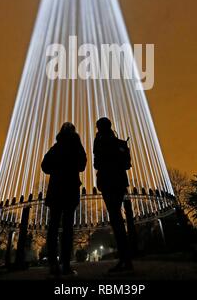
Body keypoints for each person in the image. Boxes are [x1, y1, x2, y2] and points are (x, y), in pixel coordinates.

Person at [41, 122, 86, 276]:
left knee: (53, 226)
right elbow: (82, 165)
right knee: (68, 227)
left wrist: (57, 168)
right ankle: (65, 264)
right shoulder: (76, 147)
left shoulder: (56, 148)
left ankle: (53, 264)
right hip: (71, 189)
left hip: (55, 189)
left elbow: (45, 166)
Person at [93, 117, 133, 273]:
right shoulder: (118, 143)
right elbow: (126, 164)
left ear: (99, 128)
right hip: (119, 182)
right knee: (118, 219)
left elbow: (97, 164)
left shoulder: (100, 142)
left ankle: (124, 260)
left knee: (116, 219)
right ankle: (126, 259)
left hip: (108, 183)